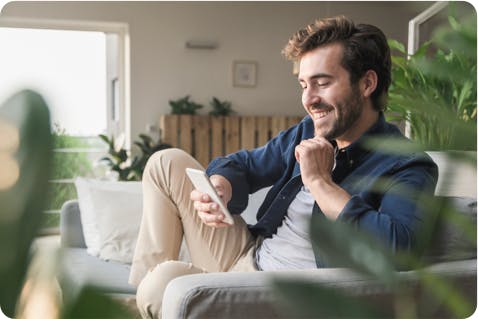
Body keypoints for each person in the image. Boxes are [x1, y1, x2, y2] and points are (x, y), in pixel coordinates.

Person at [129, 15, 438, 318]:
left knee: (160, 285)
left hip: (282, 294)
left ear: (367, 83)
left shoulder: (406, 164)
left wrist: (320, 183)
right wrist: (222, 185)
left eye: (322, 83)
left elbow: (399, 250)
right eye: (304, 85)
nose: (309, 99)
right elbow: (245, 164)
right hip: (249, 256)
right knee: (165, 163)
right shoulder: (308, 130)